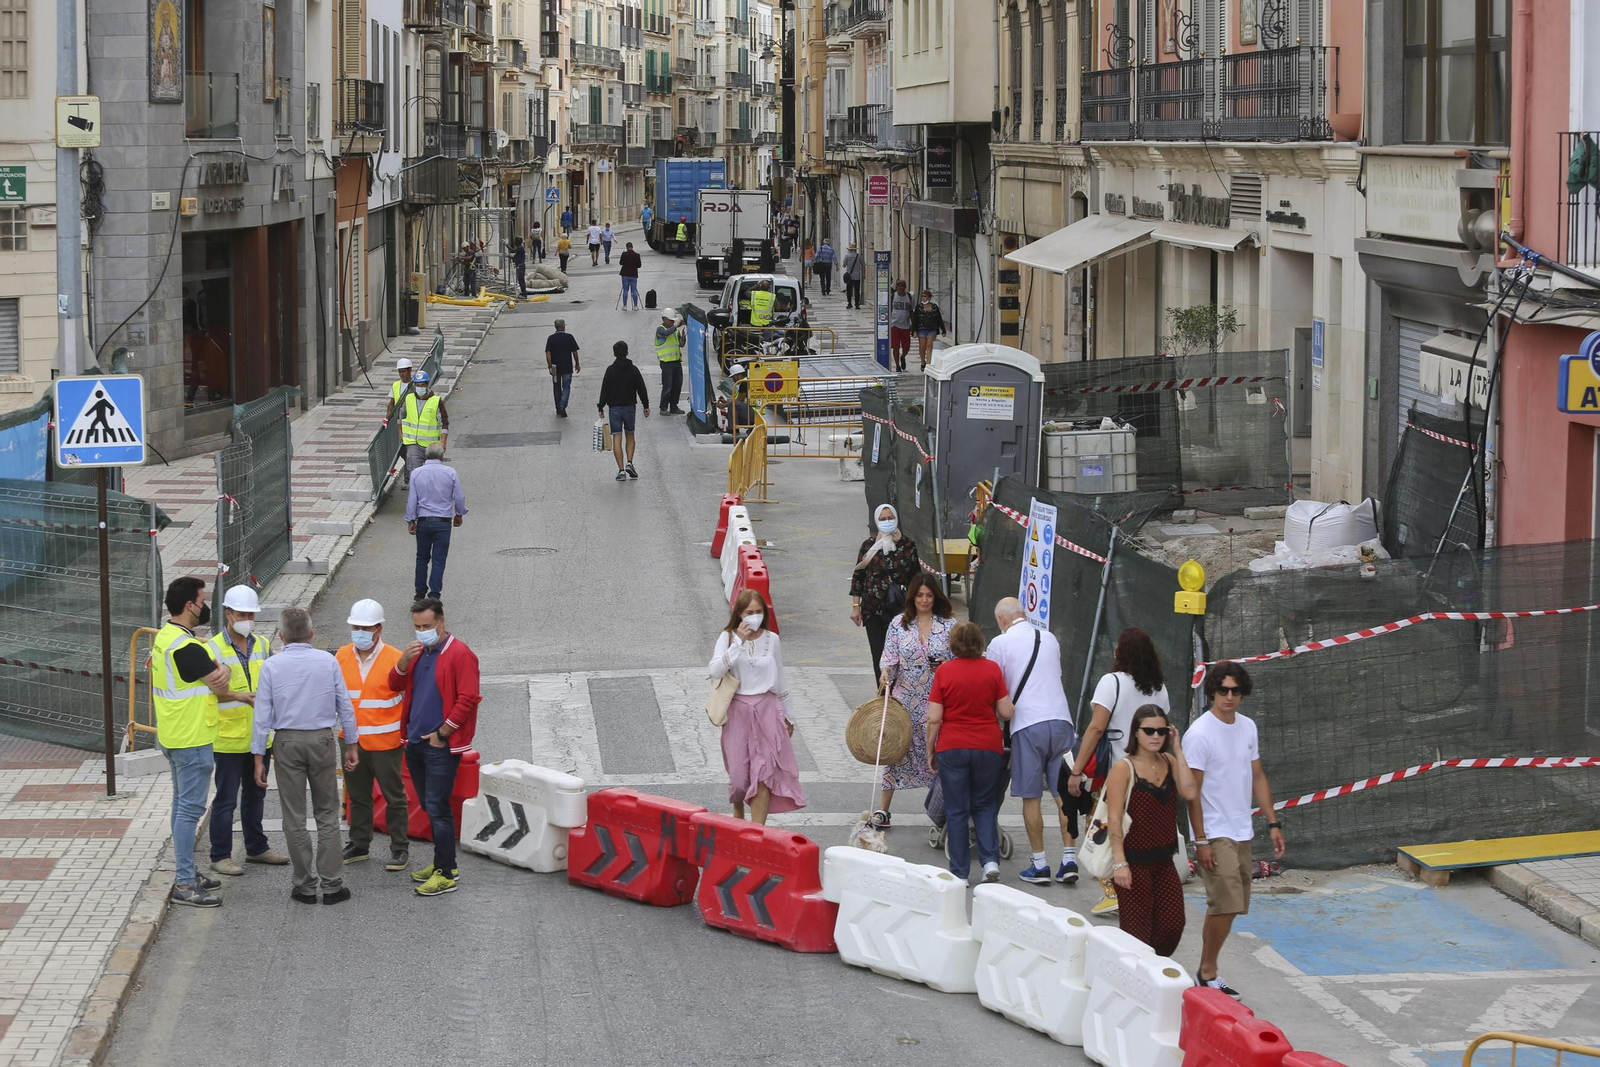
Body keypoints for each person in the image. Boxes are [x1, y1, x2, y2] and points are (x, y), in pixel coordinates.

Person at [1184, 662, 1286, 997]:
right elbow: (1192, 792)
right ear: (1212, 691)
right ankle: (1207, 971)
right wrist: (1201, 841)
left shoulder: (1247, 728)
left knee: (1231, 905)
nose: (1229, 697)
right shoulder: (1199, 734)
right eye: (1223, 690)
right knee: (1226, 903)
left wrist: (1273, 823)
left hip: (1242, 828)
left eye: (1235, 691)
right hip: (1215, 831)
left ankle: (1207, 969)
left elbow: (1257, 775)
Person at [251, 607, 361, 905]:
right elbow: (345, 706)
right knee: (327, 813)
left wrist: (258, 756)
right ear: (312, 634)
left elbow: (262, 716)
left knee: (294, 816)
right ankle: (332, 885)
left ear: (281, 636)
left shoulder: (271, 666)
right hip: (322, 740)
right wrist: (351, 744)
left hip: (286, 743)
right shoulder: (328, 661)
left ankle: (304, 886)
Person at [1068, 625, 1171, 916]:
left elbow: (1097, 727)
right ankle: (1142, 892)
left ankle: (1112, 891)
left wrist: (1077, 769)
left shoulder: (1111, 682)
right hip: (1151, 770)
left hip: (1118, 770)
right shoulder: (1161, 688)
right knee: (1139, 833)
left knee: (1100, 827)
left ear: (1121, 653)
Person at [389, 598, 483, 897]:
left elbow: (468, 699)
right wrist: (402, 663)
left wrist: (443, 733)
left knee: (439, 809)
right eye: (417, 627)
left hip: (439, 745)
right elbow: (394, 684)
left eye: (427, 626)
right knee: (431, 806)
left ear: (442, 622)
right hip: (415, 741)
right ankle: (444, 864)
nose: (422, 632)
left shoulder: (460, 654)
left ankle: (445, 875)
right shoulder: (417, 652)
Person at [153, 576, 233, 907]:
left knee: (180, 807)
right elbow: (220, 683)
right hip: (192, 739)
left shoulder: (165, 638)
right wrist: (223, 667)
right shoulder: (188, 647)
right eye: (203, 599)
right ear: (191, 606)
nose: (205, 606)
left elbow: (214, 678)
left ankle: (186, 872)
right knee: (189, 811)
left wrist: (220, 671)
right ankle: (185, 884)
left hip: (173, 736)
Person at [987, 597, 1079, 885]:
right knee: (1062, 794)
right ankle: (1069, 860)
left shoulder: (999, 644)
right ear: (1023, 614)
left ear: (1002, 620)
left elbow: (993, 686)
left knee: (1032, 797)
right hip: (1062, 720)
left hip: (1027, 724)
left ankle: (1039, 863)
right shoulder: (1050, 638)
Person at [206, 586, 289, 876]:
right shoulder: (212, 648)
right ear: (228, 614)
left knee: (256, 795)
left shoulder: (263, 644)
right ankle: (220, 855)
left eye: (251, 614)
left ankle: (257, 848)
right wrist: (241, 696)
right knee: (226, 799)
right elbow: (210, 694)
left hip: (258, 737)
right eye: (242, 614)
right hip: (227, 739)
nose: (248, 619)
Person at [1105, 705, 1198, 957]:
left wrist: (1178, 749)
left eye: (1161, 730)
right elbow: (1113, 819)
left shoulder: (1169, 761)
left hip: (1164, 860)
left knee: (1172, 926)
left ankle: (1151, 972)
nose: (1156, 736)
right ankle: (1134, 980)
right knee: (1136, 932)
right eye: (1149, 731)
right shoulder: (1123, 768)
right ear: (1136, 732)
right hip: (1133, 862)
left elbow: (1190, 792)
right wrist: (1120, 863)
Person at [927, 621, 1014, 883]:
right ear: (980, 642)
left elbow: (934, 717)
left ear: (953, 644)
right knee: (985, 804)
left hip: (952, 746)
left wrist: (931, 749)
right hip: (988, 745)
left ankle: (961, 873)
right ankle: (989, 862)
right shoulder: (992, 669)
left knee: (956, 810)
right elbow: (1006, 711)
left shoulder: (944, 672)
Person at [709, 590, 806, 824]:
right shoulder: (728, 638)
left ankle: (756, 833)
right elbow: (714, 671)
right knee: (739, 776)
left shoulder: (772, 639)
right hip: (737, 712)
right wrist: (738, 644)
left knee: (763, 773)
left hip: (767, 710)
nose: (754, 617)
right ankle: (738, 810)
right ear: (739, 615)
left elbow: (780, 679)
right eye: (749, 613)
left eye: (758, 612)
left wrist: (789, 717)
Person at [873, 572, 952, 829]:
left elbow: (961, 658)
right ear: (912, 597)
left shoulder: (950, 625)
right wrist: (886, 672)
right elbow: (889, 658)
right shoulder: (899, 624)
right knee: (896, 751)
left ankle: (944, 812)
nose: (925, 600)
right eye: (920, 595)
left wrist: (946, 665)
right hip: (905, 699)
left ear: (936, 596)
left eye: (929, 595)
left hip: (938, 700)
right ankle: (883, 809)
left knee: (941, 755)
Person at [337, 599, 411, 872]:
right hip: (351, 741)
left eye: (365, 628)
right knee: (357, 797)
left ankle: (399, 848)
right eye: (356, 627)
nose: (360, 633)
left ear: (378, 629)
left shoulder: (396, 658)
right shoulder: (342, 656)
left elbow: (408, 699)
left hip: (386, 744)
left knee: (394, 798)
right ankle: (359, 844)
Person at [849, 503, 921, 678]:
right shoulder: (869, 545)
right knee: (879, 655)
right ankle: (883, 695)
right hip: (873, 610)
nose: (887, 522)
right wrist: (856, 607)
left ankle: (898, 695)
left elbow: (916, 578)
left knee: (900, 655)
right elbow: (858, 576)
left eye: (890, 518)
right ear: (877, 521)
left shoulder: (908, 545)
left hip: (900, 610)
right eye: (883, 519)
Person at [406, 443, 467, 602]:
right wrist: (459, 514)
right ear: (441, 456)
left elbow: (412, 500)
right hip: (443, 523)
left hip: (423, 522)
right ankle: (434, 594)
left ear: (426, 456)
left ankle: (420, 592)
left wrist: (411, 520)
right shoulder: (450, 473)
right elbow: (459, 497)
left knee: (421, 558)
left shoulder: (416, 473)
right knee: (438, 560)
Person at [597, 339, 650, 481]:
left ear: (614, 353)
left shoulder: (610, 370)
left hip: (614, 408)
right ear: (627, 353)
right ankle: (630, 462)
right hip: (629, 407)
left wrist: (601, 406)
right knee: (630, 435)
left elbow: (605, 390)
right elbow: (641, 388)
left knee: (617, 438)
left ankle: (621, 470)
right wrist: (646, 405)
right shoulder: (633, 370)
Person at [399, 370, 448, 489]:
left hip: (432, 447)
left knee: (432, 477)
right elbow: (399, 418)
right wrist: (401, 435)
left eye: (423, 385)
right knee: (415, 476)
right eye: (418, 385)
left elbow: (444, 423)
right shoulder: (408, 399)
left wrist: (443, 442)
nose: (420, 388)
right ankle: (417, 502)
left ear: (427, 385)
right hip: (413, 445)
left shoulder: (436, 401)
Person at [544, 318, 581, 417]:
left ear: (555, 327)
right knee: (566, 387)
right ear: (564, 326)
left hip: (555, 367)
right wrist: (577, 363)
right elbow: (574, 352)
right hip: (567, 367)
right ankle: (562, 405)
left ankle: (558, 407)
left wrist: (550, 366)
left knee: (556, 387)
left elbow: (548, 353)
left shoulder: (551, 338)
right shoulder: (569, 337)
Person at [655, 310, 686, 415]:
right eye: (671, 320)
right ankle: (663, 407)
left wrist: (683, 338)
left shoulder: (675, 331)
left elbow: (681, 345)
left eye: (674, 321)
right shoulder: (660, 330)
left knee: (677, 385)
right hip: (666, 363)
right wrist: (676, 326)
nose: (673, 322)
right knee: (667, 386)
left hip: (676, 361)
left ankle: (674, 406)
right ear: (664, 319)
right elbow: (666, 333)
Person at [913, 290, 947, 371]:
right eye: (922, 296)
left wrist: (943, 330)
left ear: (929, 297)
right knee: (922, 347)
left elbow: (939, 318)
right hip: (921, 329)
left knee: (929, 346)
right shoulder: (919, 307)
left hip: (932, 329)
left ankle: (928, 364)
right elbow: (915, 319)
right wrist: (914, 330)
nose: (923, 298)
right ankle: (922, 361)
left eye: (925, 296)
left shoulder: (934, 307)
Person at [889, 280, 914, 372]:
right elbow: (889, 310)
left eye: (902, 285)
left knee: (906, 347)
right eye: (898, 285)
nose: (900, 287)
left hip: (906, 326)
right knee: (895, 347)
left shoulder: (910, 297)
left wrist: (913, 325)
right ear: (896, 287)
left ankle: (903, 356)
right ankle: (897, 365)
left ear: (905, 286)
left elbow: (911, 311)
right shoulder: (893, 296)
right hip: (894, 325)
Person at [386, 358, 414, 423]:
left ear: (410, 370)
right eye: (400, 372)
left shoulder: (416, 385)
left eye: (404, 371)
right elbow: (392, 402)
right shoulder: (396, 385)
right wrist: (389, 411)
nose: (401, 374)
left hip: (411, 418)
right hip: (399, 418)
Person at [618, 241, 643, 310]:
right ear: (632, 247)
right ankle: (635, 306)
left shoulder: (624, 254)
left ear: (627, 247)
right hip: (633, 274)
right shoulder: (637, 255)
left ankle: (625, 306)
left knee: (625, 290)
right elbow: (639, 265)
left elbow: (621, 263)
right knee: (634, 290)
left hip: (625, 274)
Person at [841, 243, 864, 309]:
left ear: (850, 249)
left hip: (849, 276)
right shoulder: (859, 256)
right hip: (857, 276)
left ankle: (849, 303)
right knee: (857, 290)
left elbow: (844, 265)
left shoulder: (847, 256)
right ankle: (857, 304)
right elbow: (863, 266)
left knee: (849, 290)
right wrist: (863, 275)